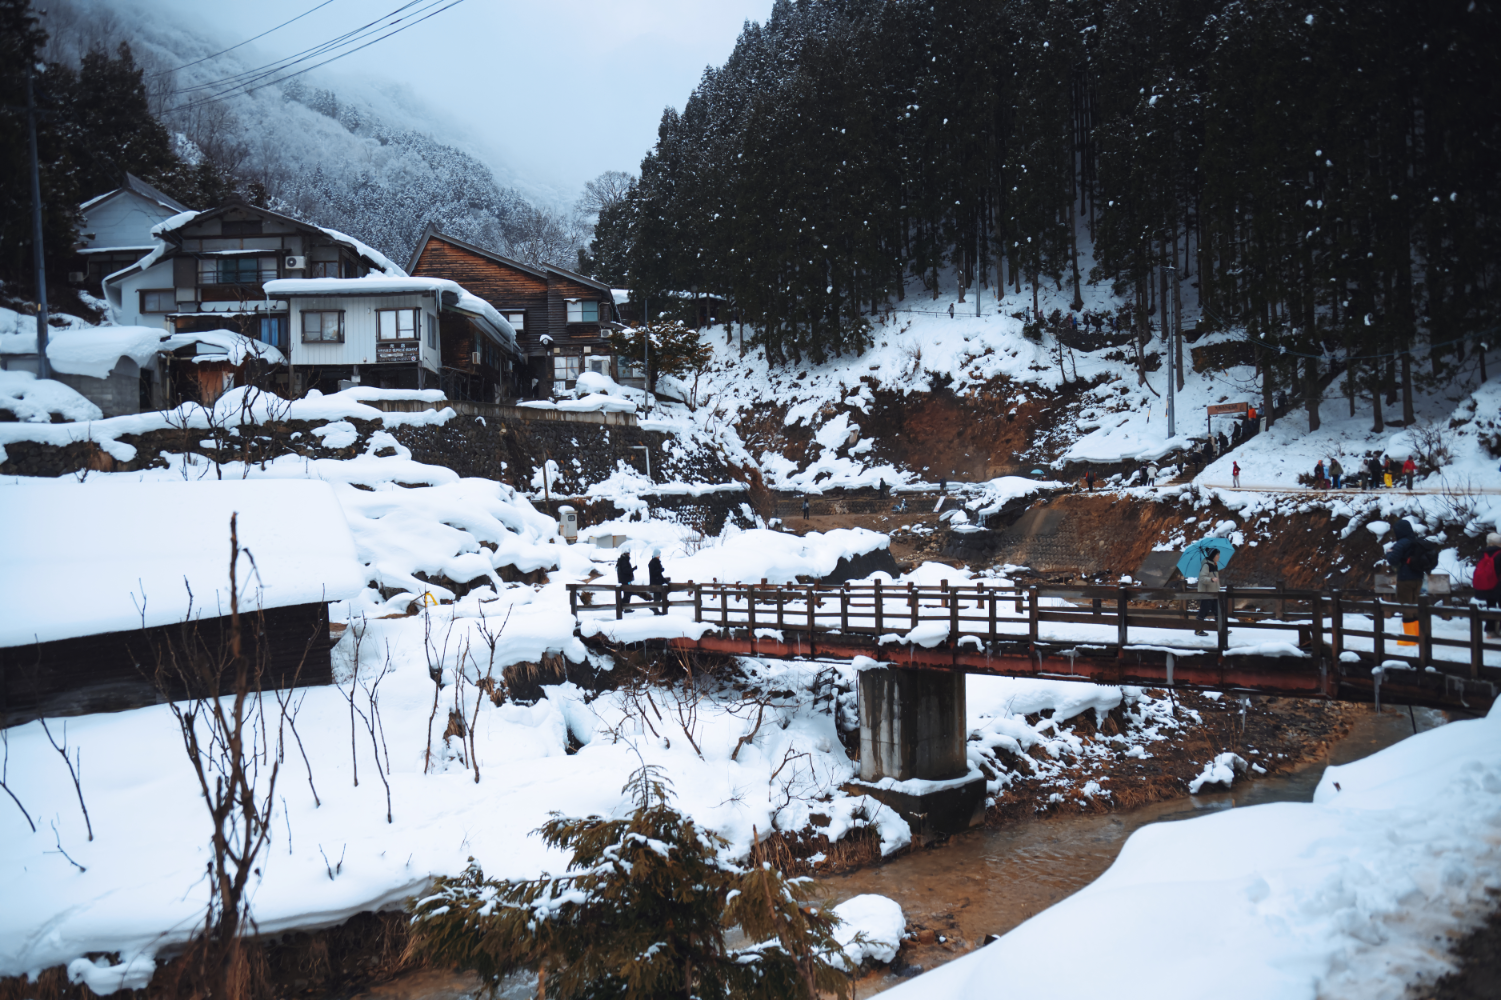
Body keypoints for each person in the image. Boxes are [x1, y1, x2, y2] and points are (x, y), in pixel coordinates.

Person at [1385, 520, 1427, 645]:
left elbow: (1393, 560)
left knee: (1406, 607)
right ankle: (1418, 636)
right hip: (1418, 578)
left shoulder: (1401, 543)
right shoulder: (1417, 542)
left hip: (1405, 578)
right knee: (1415, 606)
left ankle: (1410, 638)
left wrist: (1389, 553)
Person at [1474, 533, 1501, 637]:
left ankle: (1490, 631)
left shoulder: (1483, 554)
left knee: (1490, 607)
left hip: (1488, 585)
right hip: (1498, 585)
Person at [1195, 548, 1222, 636]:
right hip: (1206, 593)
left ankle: (1221, 629)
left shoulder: (1214, 565)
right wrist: (1211, 579)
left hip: (1214, 592)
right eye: (1217, 555)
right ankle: (1198, 630)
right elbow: (1202, 578)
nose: (1218, 556)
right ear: (1213, 555)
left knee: (1217, 611)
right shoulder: (1206, 565)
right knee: (1204, 611)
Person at [648, 549, 668, 616]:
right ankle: (654, 608)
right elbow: (653, 573)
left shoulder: (657, 562)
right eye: (659, 554)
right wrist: (660, 570)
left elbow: (659, 574)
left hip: (658, 582)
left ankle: (654, 608)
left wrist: (664, 580)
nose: (659, 556)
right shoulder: (652, 563)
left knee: (660, 596)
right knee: (657, 596)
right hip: (655, 583)